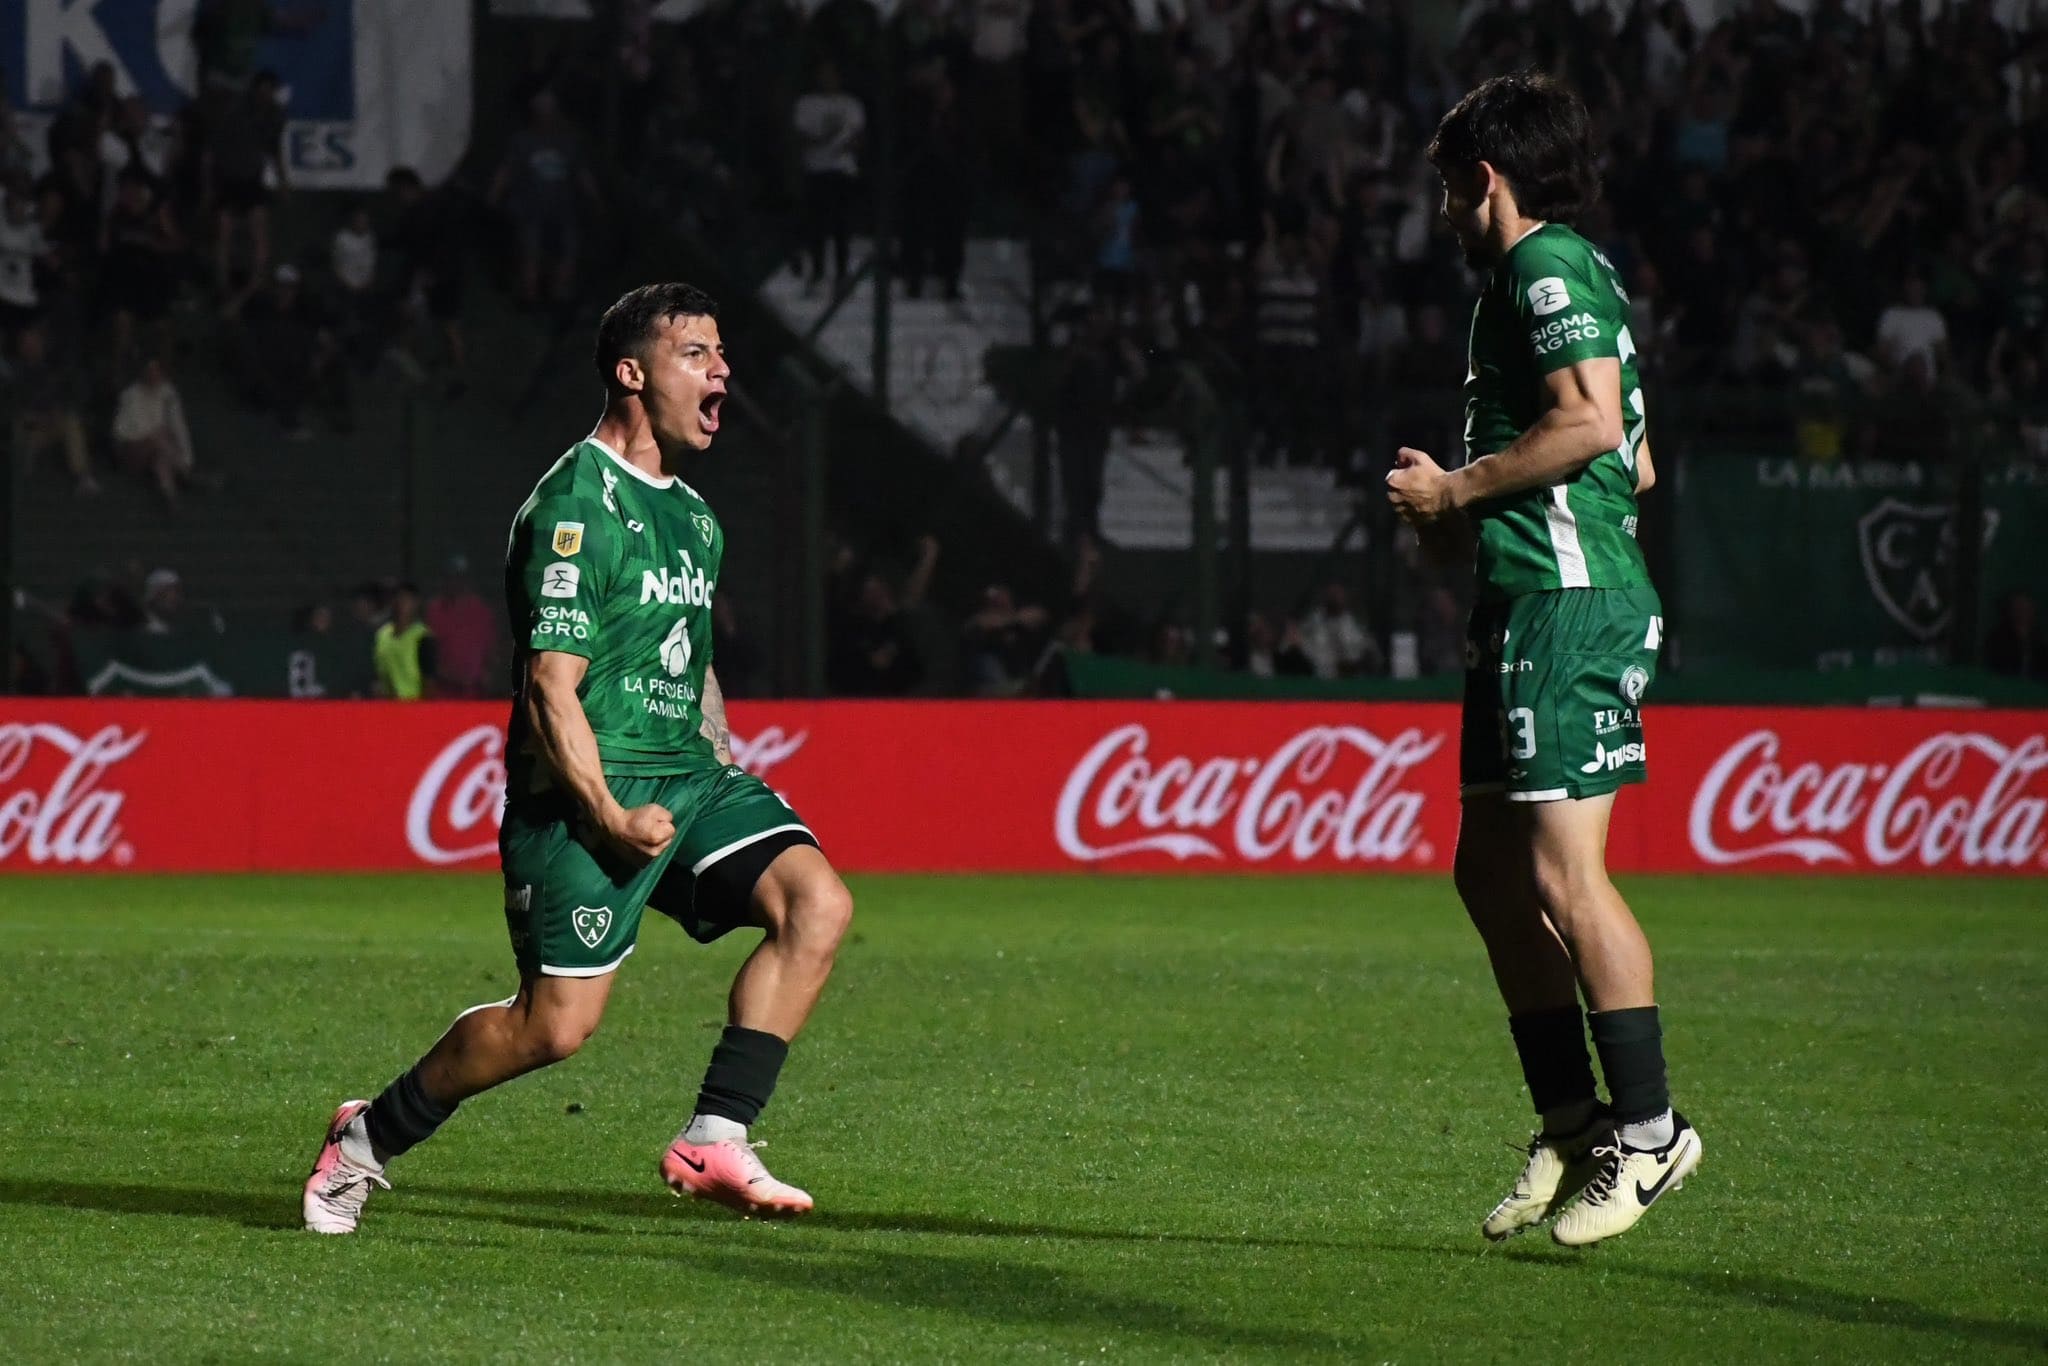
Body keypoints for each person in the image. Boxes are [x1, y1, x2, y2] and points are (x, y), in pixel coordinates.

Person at [303, 283, 852, 1232]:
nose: (722, 369)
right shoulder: (571, 510)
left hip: (686, 774)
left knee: (818, 904)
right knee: (551, 1030)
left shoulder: (696, 516)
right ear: (631, 373)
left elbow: (695, 654)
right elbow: (551, 689)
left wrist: (718, 759)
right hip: (579, 804)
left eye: (723, 352)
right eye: (696, 353)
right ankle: (365, 1139)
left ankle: (716, 1134)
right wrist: (609, 814)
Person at [1385, 73, 1697, 1249]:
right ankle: (1572, 1119)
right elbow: (1639, 462)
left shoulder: (1543, 267)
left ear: (1481, 179)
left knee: (1566, 878)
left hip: (1567, 605)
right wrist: (1461, 517)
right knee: (1488, 874)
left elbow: (1583, 426)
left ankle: (1652, 1131)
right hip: (1524, 598)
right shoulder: (1554, 279)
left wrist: (1459, 488)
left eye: (1444, 189)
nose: (1439, 213)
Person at [112, 358, 203, 508]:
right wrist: (150, 435)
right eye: (150, 371)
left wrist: (187, 457)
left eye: (156, 371)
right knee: (158, 438)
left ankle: (168, 494)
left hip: (159, 448)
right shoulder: (130, 395)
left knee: (161, 456)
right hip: (131, 450)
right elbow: (120, 432)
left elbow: (178, 426)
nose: (153, 376)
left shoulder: (167, 393)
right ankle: (186, 474)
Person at [371, 583, 437, 700]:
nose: (400, 604)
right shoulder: (382, 635)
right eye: (397, 599)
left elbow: (429, 681)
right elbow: (378, 673)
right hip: (387, 705)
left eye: (406, 600)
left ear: (415, 604)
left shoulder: (423, 637)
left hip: (413, 706)